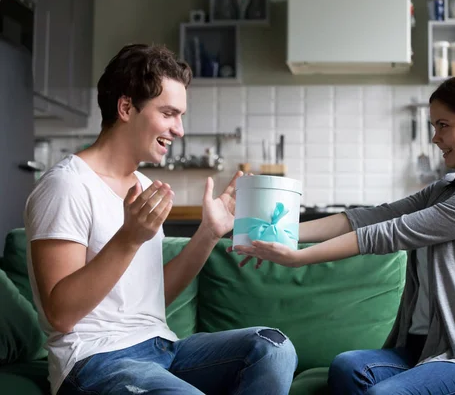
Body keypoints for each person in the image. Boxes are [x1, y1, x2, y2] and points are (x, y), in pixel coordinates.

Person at [24, 44, 297, 395]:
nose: (179, 129)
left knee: (272, 347)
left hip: (162, 348)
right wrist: (129, 238)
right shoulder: (66, 185)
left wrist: (209, 233)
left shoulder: (144, 187)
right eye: (169, 113)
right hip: (95, 361)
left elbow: (150, 296)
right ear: (126, 107)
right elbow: (60, 314)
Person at [234, 70, 455, 395]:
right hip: (419, 351)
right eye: (434, 126)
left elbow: (390, 232)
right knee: (347, 366)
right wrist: (280, 233)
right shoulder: (445, 189)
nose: (434, 137)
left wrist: (298, 258)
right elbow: (372, 217)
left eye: (443, 125)